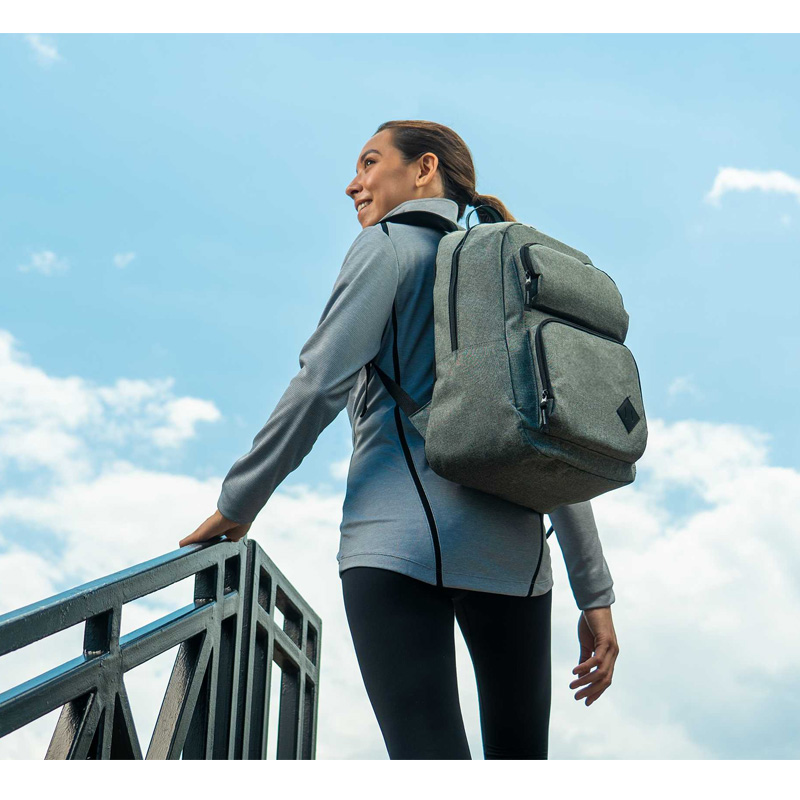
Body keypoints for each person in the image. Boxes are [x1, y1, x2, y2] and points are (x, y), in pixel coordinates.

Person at [179, 120, 620, 759]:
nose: (352, 183)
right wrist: (596, 595)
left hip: (395, 549)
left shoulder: (387, 247)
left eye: (368, 162)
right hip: (517, 560)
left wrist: (238, 501)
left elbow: (318, 386)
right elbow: (549, 440)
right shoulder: (504, 272)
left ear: (423, 169)